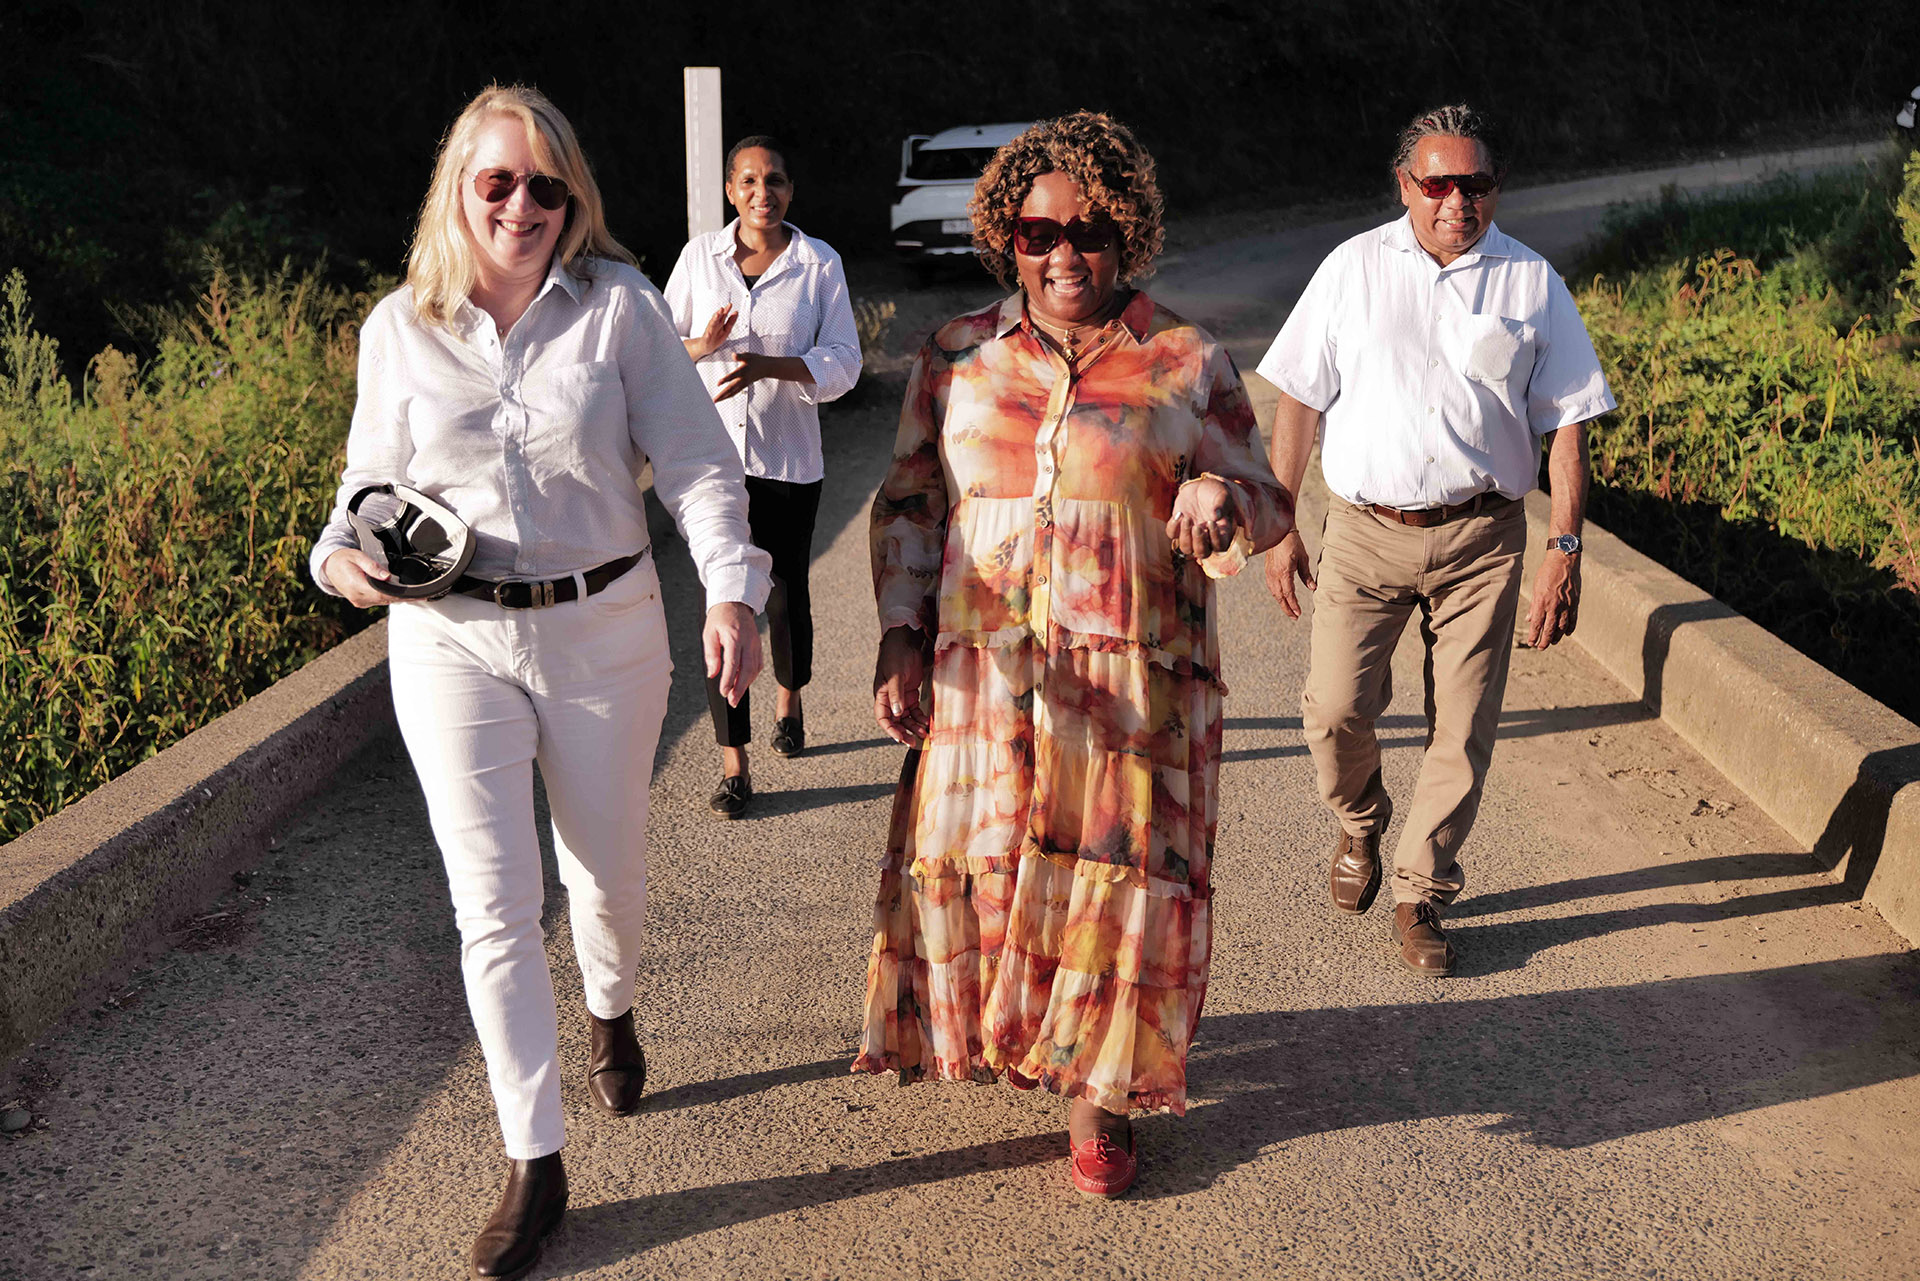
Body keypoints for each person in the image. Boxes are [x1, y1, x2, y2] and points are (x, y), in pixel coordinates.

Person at [308, 85, 769, 1280]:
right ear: (457, 191)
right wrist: (340, 556)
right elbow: (365, 483)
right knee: (493, 905)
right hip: (449, 636)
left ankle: (611, 1001)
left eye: (546, 186)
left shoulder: (622, 311)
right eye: (498, 182)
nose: (522, 205)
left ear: (576, 201)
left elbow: (703, 468)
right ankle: (535, 1158)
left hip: (604, 629)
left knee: (606, 875)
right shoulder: (398, 327)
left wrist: (730, 590)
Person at [854, 111, 1291, 1197]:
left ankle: (1100, 1098)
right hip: (987, 675)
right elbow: (911, 499)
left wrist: (1217, 494)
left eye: (1090, 232)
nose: (1064, 255)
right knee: (996, 875)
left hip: (1130, 685)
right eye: (1039, 232)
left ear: (1127, 236)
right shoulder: (956, 356)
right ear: (1008, 237)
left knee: (1116, 887)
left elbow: (1271, 503)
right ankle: (1030, 1042)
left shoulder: (1184, 359)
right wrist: (901, 636)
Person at [1256, 103, 1614, 978]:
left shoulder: (1531, 283)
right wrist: (1278, 520)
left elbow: (1567, 423)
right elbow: (1299, 398)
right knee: (1334, 708)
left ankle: (1422, 888)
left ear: (1496, 190)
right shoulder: (1351, 269)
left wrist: (1563, 551)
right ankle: (1361, 821)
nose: (1457, 199)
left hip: (1484, 539)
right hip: (1368, 532)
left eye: (1475, 184)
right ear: (1405, 186)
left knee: (1463, 725)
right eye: (1438, 182)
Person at [664, 136, 862, 819]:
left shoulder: (818, 264)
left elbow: (845, 362)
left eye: (774, 180)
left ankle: (791, 697)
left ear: (790, 188)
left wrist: (774, 367)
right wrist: (707, 346)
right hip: (715, 469)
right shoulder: (699, 259)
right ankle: (734, 765)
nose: (762, 192)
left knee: (784, 598)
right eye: (748, 180)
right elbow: (659, 353)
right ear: (729, 189)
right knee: (724, 607)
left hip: (789, 465)